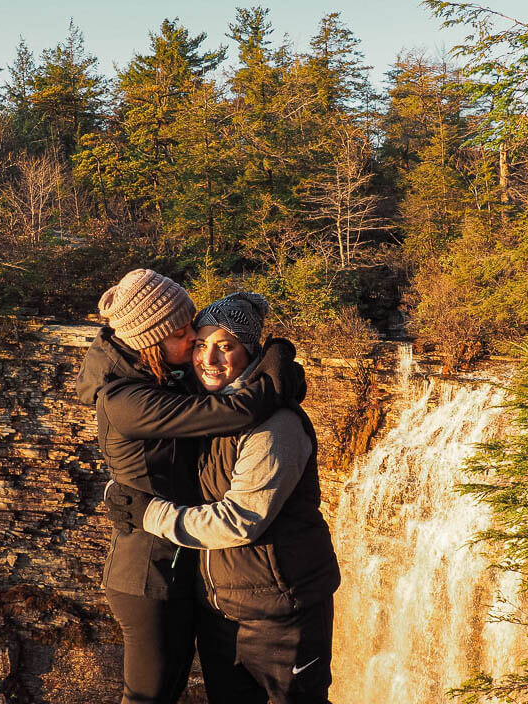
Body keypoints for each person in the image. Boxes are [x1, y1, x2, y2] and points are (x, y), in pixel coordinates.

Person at [75, 269, 301, 704]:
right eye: (183, 334)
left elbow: (218, 376)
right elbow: (233, 411)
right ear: (150, 340)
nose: (195, 340)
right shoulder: (128, 398)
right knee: (148, 697)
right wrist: (276, 370)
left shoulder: (160, 376)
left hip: (186, 569)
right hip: (148, 574)